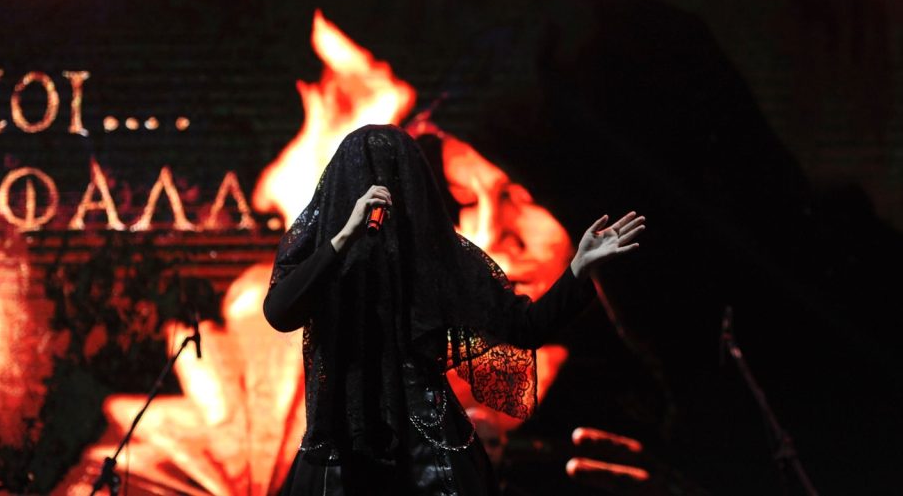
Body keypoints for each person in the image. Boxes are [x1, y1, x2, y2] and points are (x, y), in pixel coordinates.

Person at [263, 125, 644, 495]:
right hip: (340, 446)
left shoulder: (437, 257)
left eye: (393, 177)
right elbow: (280, 313)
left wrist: (577, 270)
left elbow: (525, 327)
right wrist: (345, 236)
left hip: (427, 448)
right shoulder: (319, 251)